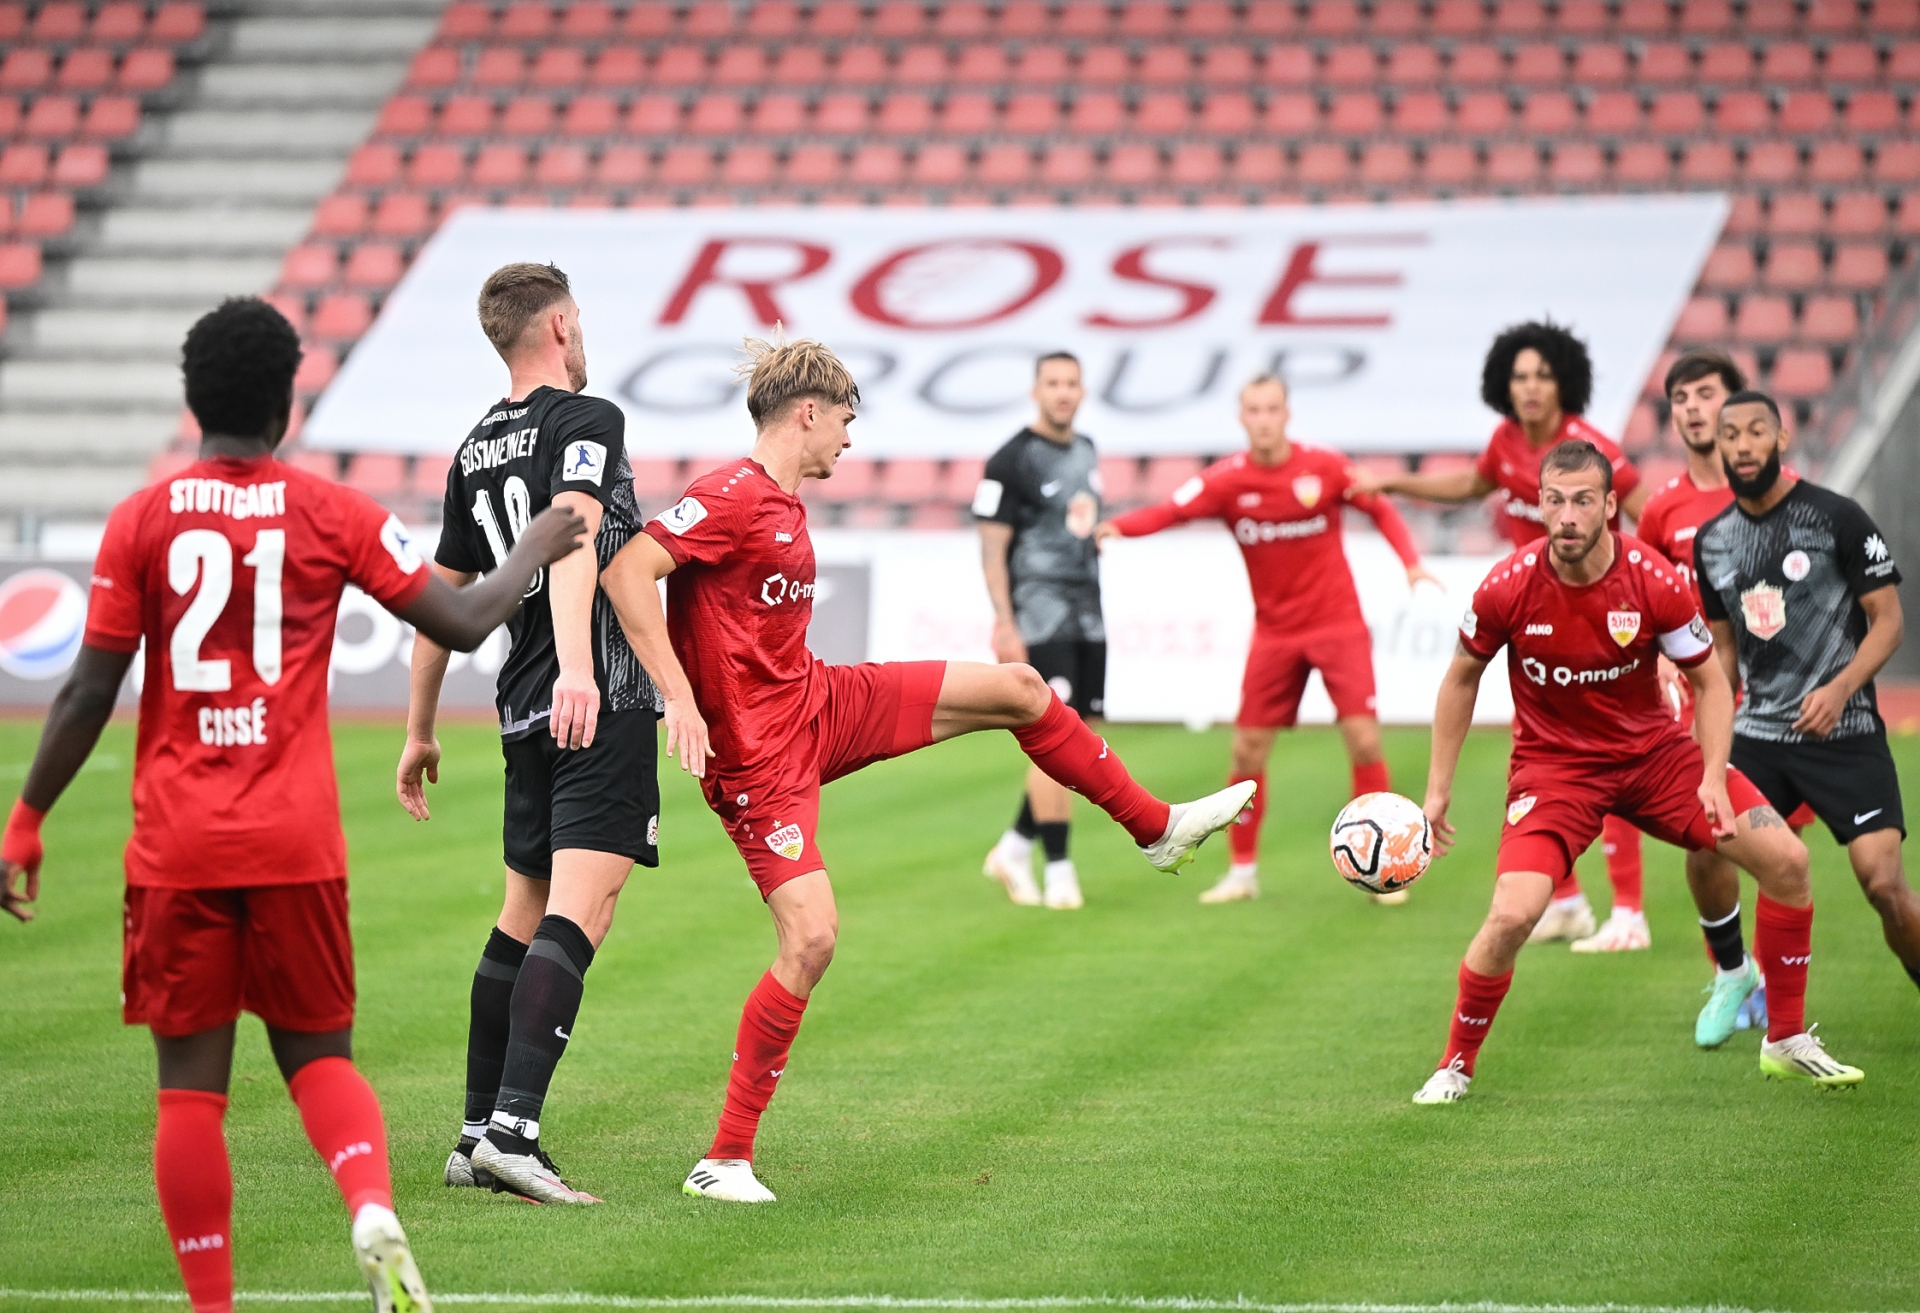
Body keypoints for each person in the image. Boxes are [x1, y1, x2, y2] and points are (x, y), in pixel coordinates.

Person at [0, 298, 589, 1313]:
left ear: (193, 404)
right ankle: (369, 1203)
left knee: (190, 1090)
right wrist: (534, 546)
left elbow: (89, 690)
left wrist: (26, 819)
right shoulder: (333, 512)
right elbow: (456, 614)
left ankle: (214, 1303)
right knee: (320, 1058)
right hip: (295, 840)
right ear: (285, 401)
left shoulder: (143, 518)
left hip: (177, 844)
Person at [598, 335, 1254, 1204]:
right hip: (757, 759)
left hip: (820, 703)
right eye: (844, 419)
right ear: (807, 412)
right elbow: (627, 570)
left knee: (1021, 690)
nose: (850, 439)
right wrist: (677, 696)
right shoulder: (729, 494)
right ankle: (723, 1157)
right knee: (813, 938)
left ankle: (1155, 829)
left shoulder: (785, 504)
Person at [1411, 438, 1862, 1105]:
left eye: (1582, 501)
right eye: (1554, 500)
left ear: (1609, 505)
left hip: (1655, 758)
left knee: (1789, 861)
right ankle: (1454, 1063)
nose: (1566, 516)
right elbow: (1462, 677)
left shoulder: (1651, 579)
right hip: (1554, 771)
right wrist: (1437, 790)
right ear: (1540, 503)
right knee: (1511, 916)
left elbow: (1709, 683)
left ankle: (1785, 1039)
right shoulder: (1508, 584)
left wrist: (1712, 774)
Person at [396, 263, 661, 1206]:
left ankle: (474, 1132)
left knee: (523, 910)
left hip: (517, 703)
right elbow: (578, 527)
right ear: (555, 326)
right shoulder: (585, 422)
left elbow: (442, 600)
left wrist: (419, 726)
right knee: (582, 910)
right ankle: (515, 1129)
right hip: (597, 696)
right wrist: (585, 666)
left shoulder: (473, 449)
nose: (583, 335)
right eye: (579, 319)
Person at [1358, 321, 1651, 951]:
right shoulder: (1506, 441)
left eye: (1543, 374)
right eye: (1520, 376)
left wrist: (1661, 589)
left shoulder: (1590, 449)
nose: (1531, 387)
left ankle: (1629, 911)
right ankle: (1567, 903)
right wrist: (1393, 483)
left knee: (1619, 755)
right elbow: (1471, 483)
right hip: (1536, 623)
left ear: (1565, 381)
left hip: (1608, 620)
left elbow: (1648, 511)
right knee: (1544, 759)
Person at [1094, 374, 1441, 904]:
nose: (1263, 418)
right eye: (1253, 409)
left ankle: (1385, 873)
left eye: (1271, 408)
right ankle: (1242, 872)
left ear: (1286, 414)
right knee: (1247, 749)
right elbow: (1170, 511)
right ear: (1242, 417)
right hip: (1275, 634)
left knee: (1365, 740)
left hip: (1336, 625)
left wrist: (1412, 564)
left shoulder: (1322, 467)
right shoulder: (1228, 480)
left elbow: (1379, 506)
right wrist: (1119, 527)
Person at [1693, 390, 1919, 1014]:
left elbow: (1889, 622)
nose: (1742, 446)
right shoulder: (1712, 541)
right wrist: (1707, 731)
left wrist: (1841, 687)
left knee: (1883, 885)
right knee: (1701, 842)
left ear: (1781, 437)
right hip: (1761, 735)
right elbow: (1723, 652)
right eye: (1730, 435)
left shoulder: (1837, 517)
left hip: (1845, 734)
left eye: (1755, 432)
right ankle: (1735, 972)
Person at [1633, 350, 1781, 1042]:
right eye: (1680, 397)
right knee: (1709, 838)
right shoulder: (1661, 509)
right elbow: (1631, 601)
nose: (1692, 407)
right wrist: (1658, 662)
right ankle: (1734, 970)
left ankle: (1778, 988)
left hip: (1779, 693)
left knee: (1783, 844)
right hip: (1703, 692)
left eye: (1706, 394)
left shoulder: (1779, 494)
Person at [973, 352, 1105, 909]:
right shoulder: (1011, 459)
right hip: (1039, 613)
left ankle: (1014, 845)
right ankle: (1060, 867)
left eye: (1071, 383)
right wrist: (1005, 622)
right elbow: (991, 550)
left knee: (1086, 738)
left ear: (1082, 390)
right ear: (1036, 391)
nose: (1062, 392)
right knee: (1057, 740)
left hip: (1088, 613)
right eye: (1052, 382)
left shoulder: (1087, 450)